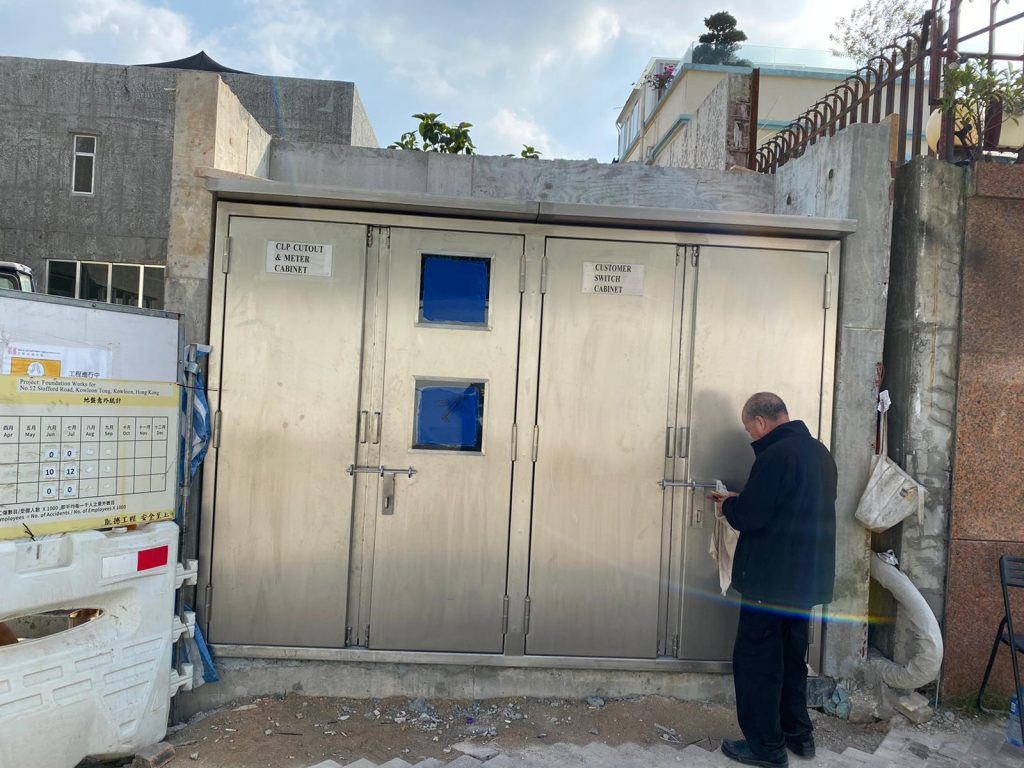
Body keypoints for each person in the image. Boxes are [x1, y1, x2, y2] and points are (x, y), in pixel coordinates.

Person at [709, 392, 837, 767]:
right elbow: (791, 507)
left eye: (751, 429)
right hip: (805, 580)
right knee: (792, 659)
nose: (752, 436)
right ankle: (799, 735)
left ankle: (766, 747)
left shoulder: (776, 456)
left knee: (759, 663)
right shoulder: (819, 452)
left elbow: (751, 516)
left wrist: (728, 503)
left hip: (770, 580)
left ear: (761, 422)